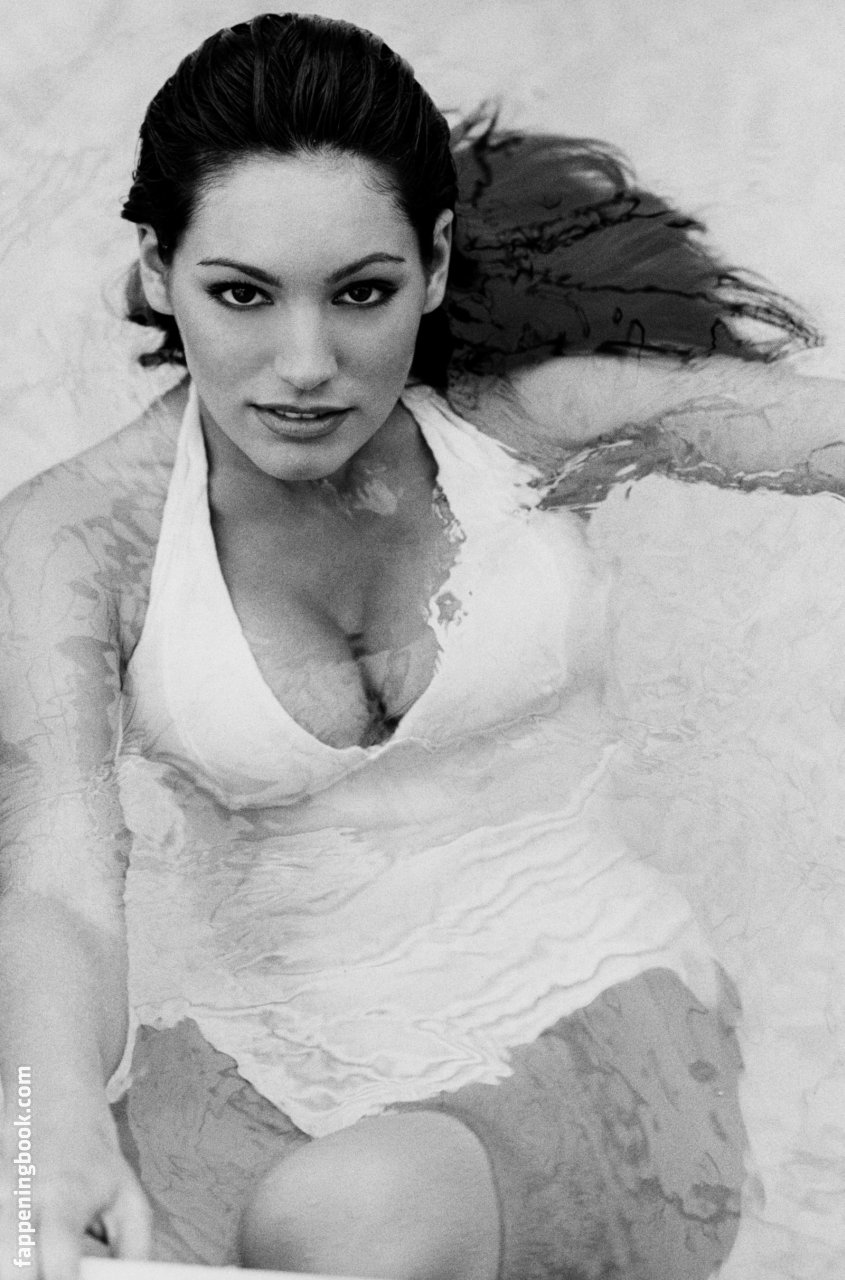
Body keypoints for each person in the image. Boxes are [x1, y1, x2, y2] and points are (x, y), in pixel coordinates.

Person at [2, 13, 844, 1280]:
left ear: (434, 263)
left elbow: (807, 432)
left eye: (360, 292)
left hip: (585, 1017)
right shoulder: (78, 542)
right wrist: (45, 1128)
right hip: (257, 1066)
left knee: (341, 1222)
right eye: (240, 293)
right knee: (30, 1227)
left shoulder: (519, 432)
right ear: (157, 269)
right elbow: (57, 885)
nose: (306, 366)